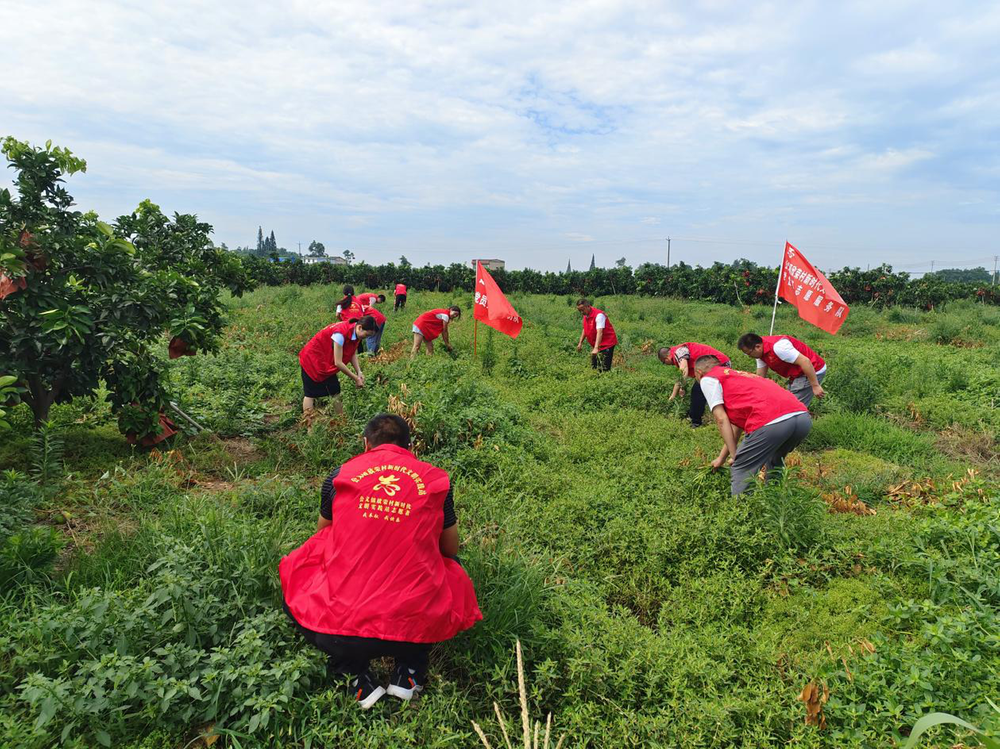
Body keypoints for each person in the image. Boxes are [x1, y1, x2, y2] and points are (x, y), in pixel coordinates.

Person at [279, 414, 481, 709]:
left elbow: (323, 535)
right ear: (410, 446)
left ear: (365, 443)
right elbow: (450, 548)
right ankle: (410, 670)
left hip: (342, 632)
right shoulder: (435, 479)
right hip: (413, 625)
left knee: (301, 567)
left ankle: (354, 674)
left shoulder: (341, 475)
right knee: (452, 568)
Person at [692, 355, 811, 495]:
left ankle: (742, 512)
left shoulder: (708, 378)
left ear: (698, 372)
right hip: (802, 418)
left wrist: (735, 456)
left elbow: (721, 419)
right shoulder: (739, 375)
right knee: (775, 461)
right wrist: (722, 458)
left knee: (741, 469)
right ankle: (774, 500)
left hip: (772, 422)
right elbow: (736, 426)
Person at [298, 316, 376, 414]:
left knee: (335, 391)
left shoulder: (355, 332)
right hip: (312, 359)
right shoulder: (340, 334)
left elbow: (352, 352)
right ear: (360, 327)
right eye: (366, 335)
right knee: (310, 394)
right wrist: (356, 378)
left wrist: (359, 371)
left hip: (326, 361)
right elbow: (338, 363)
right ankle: (309, 424)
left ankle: (340, 420)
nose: (365, 338)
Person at [736, 333, 827, 407]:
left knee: (795, 406)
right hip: (797, 374)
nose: (749, 356)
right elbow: (760, 376)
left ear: (758, 346)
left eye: (749, 353)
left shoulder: (779, 348)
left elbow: (805, 362)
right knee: (789, 400)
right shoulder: (760, 353)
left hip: (812, 370)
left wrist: (815, 385)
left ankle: (799, 425)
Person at [658, 342, 731, 427]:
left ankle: (696, 422)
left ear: (666, 358)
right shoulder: (678, 352)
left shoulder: (679, 352)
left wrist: (673, 395)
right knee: (702, 391)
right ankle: (697, 418)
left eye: (664, 362)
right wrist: (682, 387)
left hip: (719, 365)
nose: (666, 364)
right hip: (711, 367)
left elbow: (683, 372)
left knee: (697, 392)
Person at [575, 298, 618, 372]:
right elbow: (585, 328)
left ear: (588, 306)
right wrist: (580, 342)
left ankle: (606, 380)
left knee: (604, 368)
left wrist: (596, 348)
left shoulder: (599, 315)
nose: (581, 312)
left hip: (607, 343)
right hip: (598, 344)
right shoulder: (586, 315)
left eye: (583, 309)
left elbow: (600, 332)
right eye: (580, 310)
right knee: (594, 366)